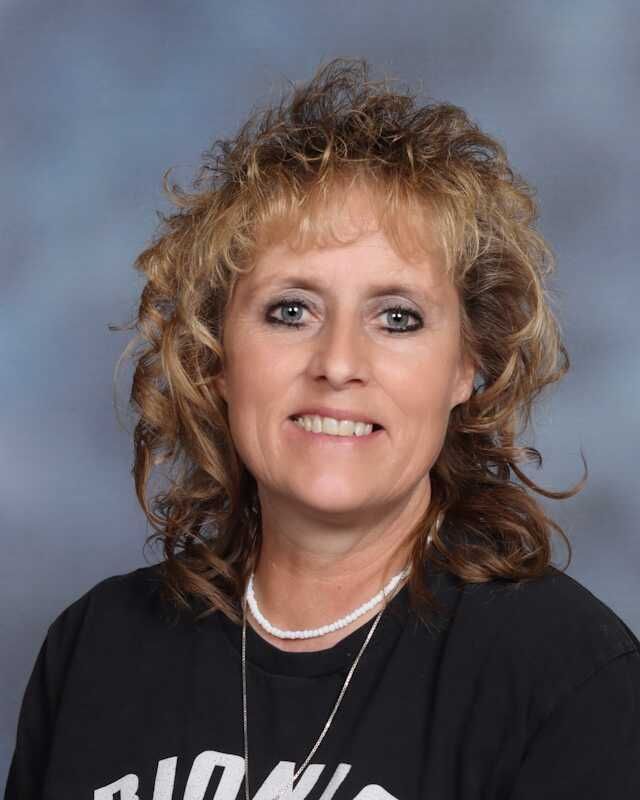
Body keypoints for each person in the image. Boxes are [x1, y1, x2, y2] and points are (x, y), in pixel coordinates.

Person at [4, 57, 640, 800]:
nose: (338, 363)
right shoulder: (98, 647)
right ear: (218, 357)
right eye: (291, 311)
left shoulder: (566, 677)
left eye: (397, 317)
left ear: (468, 366)